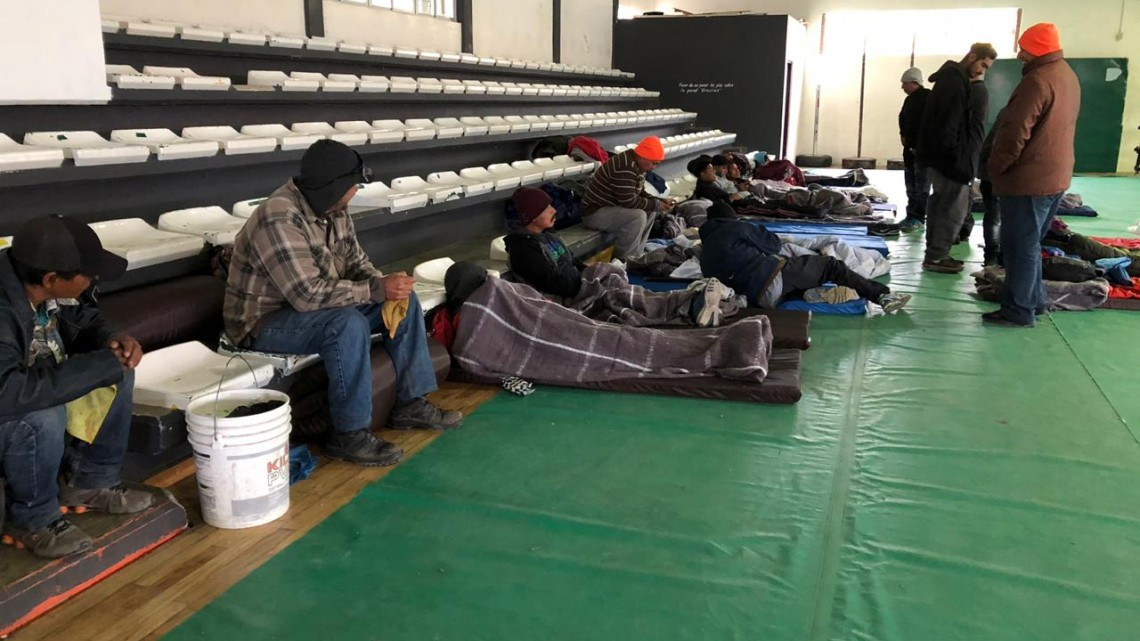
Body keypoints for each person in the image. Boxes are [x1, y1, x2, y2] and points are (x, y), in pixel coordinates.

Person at [224, 140, 462, 466]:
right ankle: (348, 434)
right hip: (265, 321)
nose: (354, 192)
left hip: (315, 305)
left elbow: (356, 262)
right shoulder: (279, 218)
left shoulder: (333, 208)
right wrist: (376, 289)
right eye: (351, 186)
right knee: (346, 324)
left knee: (403, 302)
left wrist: (385, 287)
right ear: (332, 187)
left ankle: (410, 403)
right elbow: (306, 295)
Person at [0, 215, 154, 558]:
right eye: (88, 275)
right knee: (41, 414)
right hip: (10, 405)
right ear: (51, 278)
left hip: (24, 391)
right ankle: (31, 518)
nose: (93, 280)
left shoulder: (42, 283)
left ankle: (91, 482)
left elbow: (86, 317)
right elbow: (8, 394)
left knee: (117, 371)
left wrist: (113, 339)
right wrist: (95, 366)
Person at [504, 187, 731, 327]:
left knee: (628, 290)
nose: (554, 209)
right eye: (546, 208)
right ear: (531, 216)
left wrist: (593, 274)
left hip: (579, 286)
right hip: (567, 301)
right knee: (622, 300)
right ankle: (688, 306)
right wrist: (592, 282)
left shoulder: (548, 236)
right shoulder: (523, 250)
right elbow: (554, 284)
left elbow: (573, 263)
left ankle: (689, 301)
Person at [984, 23, 1081, 327]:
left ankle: (1018, 310)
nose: (1019, 54)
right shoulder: (1067, 75)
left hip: (1028, 179)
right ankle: (1034, 301)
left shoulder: (1037, 81)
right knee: (1030, 244)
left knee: (1018, 247)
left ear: (1035, 48)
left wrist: (995, 167)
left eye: (1023, 47)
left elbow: (1014, 134)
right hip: (1055, 176)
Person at [699, 202, 911, 313]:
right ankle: (883, 296)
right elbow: (772, 244)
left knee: (794, 274)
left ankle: (809, 293)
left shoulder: (704, 251)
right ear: (730, 218)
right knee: (831, 265)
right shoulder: (736, 228)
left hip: (758, 300)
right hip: (773, 279)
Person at [916, 42, 997, 273]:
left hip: (942, 156)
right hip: (951, 159)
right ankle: (937, 257)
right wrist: (958, 159)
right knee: (953, 208)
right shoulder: (954, 83)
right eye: (982, 64)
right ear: (971, 56)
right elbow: (949, 125)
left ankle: (935, 253)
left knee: (940, 203)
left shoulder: (950, 79)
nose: (982, 70)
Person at [581, 136, 673, 259]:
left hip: (611, 208)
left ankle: (637, 255)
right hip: (594, 213)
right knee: (637, 216)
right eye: (653, 163)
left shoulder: (636, 164)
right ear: (643, 157)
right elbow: (628, 201)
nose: (654, 167)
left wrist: (659, 201)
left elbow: (640, 193)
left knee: (651, 210)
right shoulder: (625, 167)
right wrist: (656, 204)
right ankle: (624, 260)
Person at [956, 75, 990, 243]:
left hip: (968, 153)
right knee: (961, 193)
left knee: (961, 193)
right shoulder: (979, 94)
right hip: (968, 153)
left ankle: (961, 228)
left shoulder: (977, 93)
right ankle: (961, 228)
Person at [898, 67, 931, 233]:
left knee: (921, 188)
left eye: (905, 83)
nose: (902, 87)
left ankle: (919, 217)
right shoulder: (909, 100)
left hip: (922, 153)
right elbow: (903, 119)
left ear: (914, 82)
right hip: (909, 152)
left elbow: (929, 125)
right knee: (910, 186)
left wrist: (920, 146)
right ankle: (911, 215)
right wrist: (903, 136)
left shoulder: (928, 98)